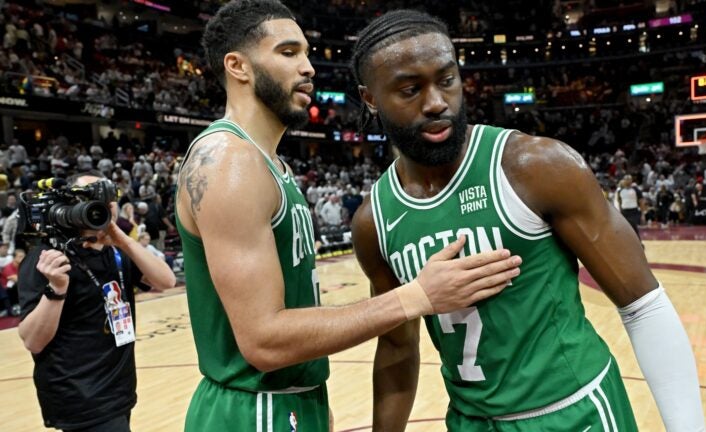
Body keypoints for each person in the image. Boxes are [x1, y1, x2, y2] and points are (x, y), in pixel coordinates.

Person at [349, 10, 705, 432]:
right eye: (410, 89)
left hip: (574, 414)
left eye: (447, 80)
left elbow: (643, 306)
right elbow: (397, 348)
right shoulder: (374, 222)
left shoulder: (534, 166)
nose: (436, 102)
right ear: (370, 98)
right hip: (471, 422)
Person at [175, 1, 522, 430]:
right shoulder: (230, 162)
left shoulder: (265, 163)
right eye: (288, 53)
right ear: (238, 66)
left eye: (305, 52)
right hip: (252, 410)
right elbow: (263, 340)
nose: (308, 68)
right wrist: (416, 297)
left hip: (287, 402)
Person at [17, 171, 176, 432]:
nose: (102, 204)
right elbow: (32, 340)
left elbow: (166, 281)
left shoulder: (116, 252)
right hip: (81, 397)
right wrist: (56, 289)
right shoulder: (47, 259)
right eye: (90, 197)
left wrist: (121, 237)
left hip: (118, 391)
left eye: (107, 197)